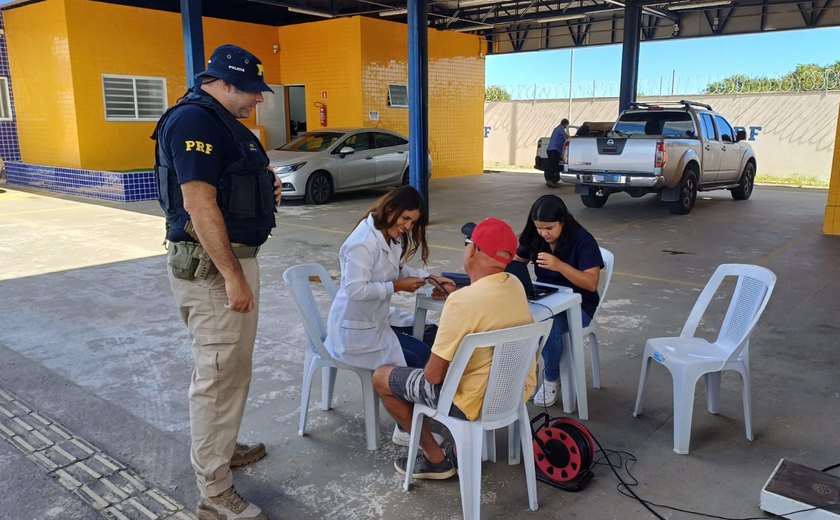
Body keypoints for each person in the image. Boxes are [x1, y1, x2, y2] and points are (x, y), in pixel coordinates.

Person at [152, 44, 281, 520]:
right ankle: (214, 491)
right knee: (217, 376)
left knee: (230, 372)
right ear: (223, 83)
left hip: (233, 261)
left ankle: (221, 450)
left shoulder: (222, 122)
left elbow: (228, 190)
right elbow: (198, 205)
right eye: (250, 91)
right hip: (213, 271)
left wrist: (263, 197)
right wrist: (232, 277)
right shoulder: (196, 121)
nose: (257, 100)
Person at [372, 218, 536, 480]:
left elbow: (434, 377)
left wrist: (458, 299)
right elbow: (485, 300)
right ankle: (459, 450)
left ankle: (435, 459)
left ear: (473, 251)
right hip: (511, 393)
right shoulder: (515, 286)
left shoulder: (462, 303)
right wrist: (458, 293)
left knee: (383, 376)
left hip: (470, 402)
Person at [324, 186, 451, 446]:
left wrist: (430, 280)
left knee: (429, 336)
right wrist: (396, 287)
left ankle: (417, 415)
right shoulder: (362, 243)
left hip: (376, 320)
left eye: (412, 222)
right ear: (390, 209)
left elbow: (399, 269)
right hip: (355, 331)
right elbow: (355, 289)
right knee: (416, 356)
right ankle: (405, 428)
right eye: (405, 219)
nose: (407, 226)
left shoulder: (388, 235)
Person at [514, 195, 603, 408]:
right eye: (539, 228)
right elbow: (517, 263)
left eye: (549, 228)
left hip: (580, 304)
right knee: (518, 318)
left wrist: (559, 265)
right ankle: (523, 376)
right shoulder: (534, 236)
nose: (544, 234)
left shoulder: (582, 240)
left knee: (548, 323)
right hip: (546, 296)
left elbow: (591, 284)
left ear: (562, 222)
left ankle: (551, 377)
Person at [545, 118, 570, 187]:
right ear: (565, 124)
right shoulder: (560, 129)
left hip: (550, 150)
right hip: (554, 150)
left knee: (551, 166)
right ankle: (551, 181)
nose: (566, 126)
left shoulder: (557, 128)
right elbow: (566, 137)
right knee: (553, 166)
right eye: (567, 125)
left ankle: (550, 181)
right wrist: (573, 138)